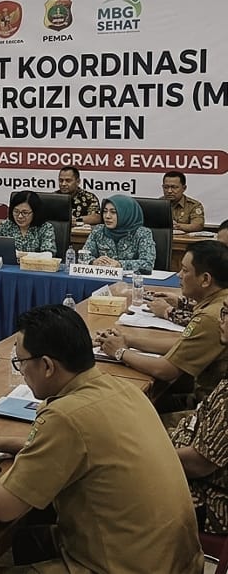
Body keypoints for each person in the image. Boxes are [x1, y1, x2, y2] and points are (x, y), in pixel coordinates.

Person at [0, 304, 204, 574]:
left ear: (47, 366)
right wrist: (1, 443)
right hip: (173, 558)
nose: (21, 370)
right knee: (25, 538)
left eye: (21, 362)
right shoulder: (121, 387)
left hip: (124, 565)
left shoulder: (65, 415)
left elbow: (5, 505)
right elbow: (86, 449)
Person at [96, 240, 228, 418]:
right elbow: (182, 344)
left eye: (185, 270)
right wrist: (128, 339)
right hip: (208, 400)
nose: (179, 275)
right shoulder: (220, 302)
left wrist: (120, 352)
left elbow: (165, 370)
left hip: (210, 412)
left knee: (128, 417)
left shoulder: (211, 317)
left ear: (205, 279)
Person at [170, 299, 228, 534]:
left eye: (226, 314)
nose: (221, 321)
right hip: (188, 451)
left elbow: (199, 464)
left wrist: (146, 458)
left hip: (209, 498)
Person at [81, 195, 156, 273]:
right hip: (103, 277)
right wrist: (93, 262)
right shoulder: (98, 230)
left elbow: (148, 264)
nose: (107, 216)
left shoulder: (142, 233)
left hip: (132, 279)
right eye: (105, 211)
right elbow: (83, 256)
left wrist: (120, 265)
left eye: (113, 212)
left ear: (126, 214)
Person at [0, 190, 56, 254]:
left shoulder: (45, 228)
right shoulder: (7, 225)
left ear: (35, 212)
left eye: (25, 213)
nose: (20, 216)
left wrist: (19, 254)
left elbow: (48, 254)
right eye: (16, 211)